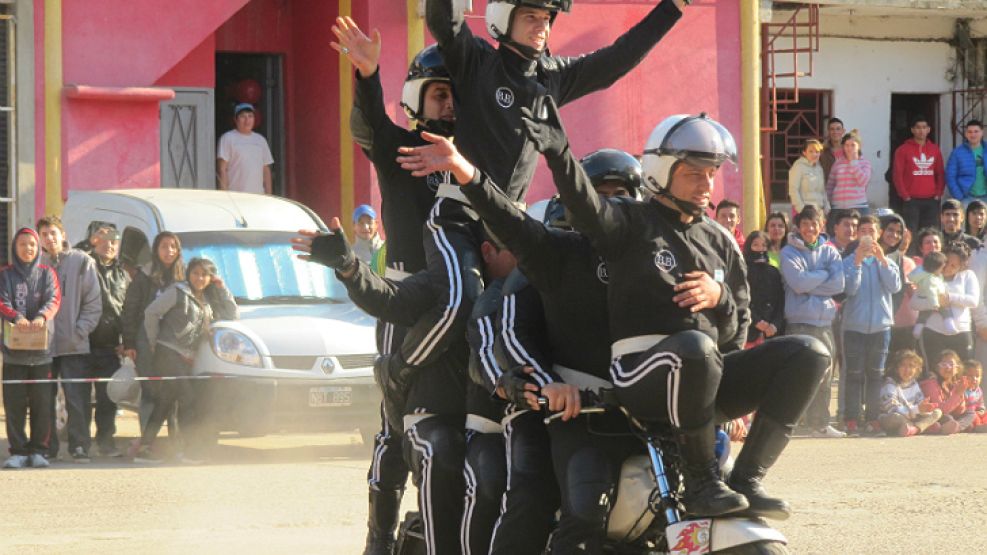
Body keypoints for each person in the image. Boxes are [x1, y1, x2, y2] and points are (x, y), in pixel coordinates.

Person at [521, 102, 830, 521]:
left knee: (810, 353)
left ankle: (746, 480)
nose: (706, 184)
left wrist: (720, 294)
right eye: (693, 173)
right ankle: (702, 483)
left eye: (711, 173)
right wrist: (558, 153)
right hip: (640, 373)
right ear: (661, 172)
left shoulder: (721, 241)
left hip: (703, 369)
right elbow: (586, 204)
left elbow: (738, 327)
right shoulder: (630, 221)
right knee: (696, 347)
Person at [384, 0, 689, 415]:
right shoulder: (476, 62)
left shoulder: (552, 77)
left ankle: (500, 415)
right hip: (458, 215)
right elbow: (443, 19)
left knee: (516, 311)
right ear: (502, 19)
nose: (541, 26)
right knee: (461, 300)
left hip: (511, 227)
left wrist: (671, 8)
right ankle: (396, 372)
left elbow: (617, 59)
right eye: (531, 17)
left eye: (547, 18)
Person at [398, 138, 641, 550]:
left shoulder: (639, 270)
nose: (611, 207)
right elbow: (493, 343)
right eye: (601, 197)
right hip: (535, 408)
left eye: (622, 196)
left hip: (619, 408)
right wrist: (520, 384)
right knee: (518, 488)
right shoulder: (532, 275)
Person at [294, 219, 518, 555]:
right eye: (517, 249)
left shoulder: (537, 286)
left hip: (505, 424)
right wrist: (350, 267)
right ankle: (382, 539)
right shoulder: (443, 284)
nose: (529, 257)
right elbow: (387, 298)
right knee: (439, 451)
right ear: (486, 250)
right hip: (434, 418)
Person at [332, 18, 456, 552]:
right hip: (403, 301)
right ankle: (380, 538)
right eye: (440, 94)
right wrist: (368, 74)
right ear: (417, 98)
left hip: (465, 301)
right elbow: (366, 128)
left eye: (457, 95)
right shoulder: (398, 148)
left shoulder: (478, 158)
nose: (450, 105)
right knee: (395, 423)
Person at [136, 257, 238, 463]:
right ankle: (189, 452)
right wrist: (154, 341)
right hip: (168, 353)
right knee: (188, 400)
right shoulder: (177, 291)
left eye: (204, 275)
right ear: (188, 274)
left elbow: (232, 314)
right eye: (195, 273)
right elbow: (151, 312)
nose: (199, 278)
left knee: (164, 403)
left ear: (210, 277)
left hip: (187, 358)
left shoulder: (209, 299)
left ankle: (144, 450)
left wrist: (223, 287)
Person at [37, 215, 102, 462]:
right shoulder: (37, 264)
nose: (49, 238)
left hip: (74, 346)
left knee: (77, 399)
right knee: (45, 400)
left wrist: (80, 331)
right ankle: (48, 447)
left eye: (53, 233)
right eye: (44, 234)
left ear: (63, 235)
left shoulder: (82, 261)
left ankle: (79, 446)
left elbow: (93, 302)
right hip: (43, 346)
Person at [780, 204, 846, 439]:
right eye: (805, 224)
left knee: (826, 374)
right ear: (798, 226)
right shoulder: (788, 252)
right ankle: (793, 421)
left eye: (814, 224)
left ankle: (820, 423)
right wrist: (824, 276)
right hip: (799, 321)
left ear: (822, 226)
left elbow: (839, 285)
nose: (809, 228)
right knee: (798, 374)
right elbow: (797, 283)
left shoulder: (830, 252)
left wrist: (811, 282)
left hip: (825, 322)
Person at [0, 228, 61, 469]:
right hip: (14, 354)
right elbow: (2, 301)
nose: (28, 249)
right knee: (14, 405)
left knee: (42, 405)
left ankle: (39, 450)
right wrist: (16, 317)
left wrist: (41, 317)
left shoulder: (47, 273)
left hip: (42, 354)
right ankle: (17, 450)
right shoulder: (5, 274)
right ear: (15, 247)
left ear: (38, 248)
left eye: (32, 245)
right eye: (23, 244)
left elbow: (54, 300)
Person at [840, 215, 900, 435]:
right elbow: (849, 290)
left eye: (871, 231)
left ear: (879, 234)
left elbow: (894, 287)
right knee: (854, 373)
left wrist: (882, 260)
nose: (868, 235)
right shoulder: (848, 261)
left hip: (881, 326)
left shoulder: (888, 261)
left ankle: (873, 419)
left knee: (876, 374)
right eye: (863, 230)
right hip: (854, 326)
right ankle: (852, 419)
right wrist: (856, 261)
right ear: (858, 235)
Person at [121, 232, 186, 436]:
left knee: (174, 393)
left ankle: (176, 446)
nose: (169, 251)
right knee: (150, 391)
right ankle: (148, 444)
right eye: (164, 246)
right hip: (146, 342)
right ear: (156, 250)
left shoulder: (185, 276)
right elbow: (130, 310)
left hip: (174, 344)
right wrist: (129, 343)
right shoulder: (144, 276)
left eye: (173, 246)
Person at [87, 225, 130, 457]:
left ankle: (105, 442)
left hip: (110, 345)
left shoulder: (123, 274)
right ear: (95, 241)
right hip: (84, 343)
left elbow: (129, 310)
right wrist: (88, 242)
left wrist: (127, 341)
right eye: (104, 240)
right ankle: (80, 445)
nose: (110, 245)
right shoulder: (85, 265)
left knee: (107, 398)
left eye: (114, 241)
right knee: (80, 399)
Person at [910, 241, 980, 365]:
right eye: (946, 262)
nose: (947, 268)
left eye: (954, 266)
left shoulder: (968, 275)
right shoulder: (929, 275)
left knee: (962, 371)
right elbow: (914, 303)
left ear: (961, 267)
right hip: (932, 332)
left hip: (961, 332)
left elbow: (973, 301)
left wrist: (949, 297)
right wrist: (935, 303)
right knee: (933, 372)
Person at [893, 115, 945, 233]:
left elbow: (940, 172)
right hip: (911, 200)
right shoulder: (903, 150)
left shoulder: (934, 149)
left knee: (930, 232)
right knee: (911, 233)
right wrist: (905, 195)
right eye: (918, 127)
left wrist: (938, 193)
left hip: (931, 199)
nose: (921, 130)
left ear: (928, 129)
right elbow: (897, 174)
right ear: (912, 130)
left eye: (924, 127)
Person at [877, 349, 941, 437]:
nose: (907, 370)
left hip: (912, 417)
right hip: (893, 417)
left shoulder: (914, 383)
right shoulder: (890, 383)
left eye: (911, 366)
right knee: (895, 417)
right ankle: (922, 427)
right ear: (896, 368)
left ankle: (914, 429)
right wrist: (917, 410)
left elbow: (920, 405)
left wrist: (924, 410)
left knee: (937, 412)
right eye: (903, 365)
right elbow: (891, 408)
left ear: (917, 369)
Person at [881, 213, 919, 356]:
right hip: (877, 322)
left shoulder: (906, 262)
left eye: (900, 234)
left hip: (903, 322)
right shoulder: (870, 255)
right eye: (891, 230)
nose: (896, 237)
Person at [217, 102, 274, 195]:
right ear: (235, 119)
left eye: (250, 116)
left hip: (258, 196)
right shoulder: (227, 138)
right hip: (236, 196)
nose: (247, 120)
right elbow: (222, 169)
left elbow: (266, 169)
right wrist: (224, 195)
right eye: (243, 116)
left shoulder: (260, 140)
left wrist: (269, 194)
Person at [744, 230, 784, 347]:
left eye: (764, 245)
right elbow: (740, 300)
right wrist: (756, 321)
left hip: (771, 332)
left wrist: (775, 324)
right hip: (749, 331)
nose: (760, 248)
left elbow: (780, 301)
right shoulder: (743, 270)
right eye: (756, 245)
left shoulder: (773, 272)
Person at [918, 349, 966, 435]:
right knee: (948, 418)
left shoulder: (955, 383)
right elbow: (941, 410)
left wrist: (961, 394)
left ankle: (955, 426)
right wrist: (957, 394)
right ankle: (956, 427)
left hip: (948, 414)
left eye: (951, 364)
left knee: (970, 413)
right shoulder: (930, 383)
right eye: (944, 364)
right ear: (937, 367)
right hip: (933, 415)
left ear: (957, 369)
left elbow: (959, 411)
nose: (948, 367)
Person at [910, 251, 955, 337]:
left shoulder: (928, 276)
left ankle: (917, 329)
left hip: (925, 297)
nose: (943, 270)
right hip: (933, 299)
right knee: (945, 310)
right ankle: (950, 325)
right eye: (942, 268)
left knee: (923, 314)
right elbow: (932, 292)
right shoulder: (930, 279)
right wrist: (935, 304)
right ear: (935, 268)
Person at [827, 129, 872, 216]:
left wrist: (854, 162)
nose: (849, 148)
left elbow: (863, 181)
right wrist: (827, 203)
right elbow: (830, 185)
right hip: (838, 207)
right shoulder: (838, 163)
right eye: (847, 145)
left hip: (858, 207)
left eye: (853, 145)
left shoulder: (865, 163)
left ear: (859, 146)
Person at [946, 119, 985, 208]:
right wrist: (959, 196)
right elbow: (950, 176)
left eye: (976, 131)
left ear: (982, 133)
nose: (973, 134)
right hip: (966, 198)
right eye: (970, 132)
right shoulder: (957, 153)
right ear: (966, 134)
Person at [788, 138, 829, 214]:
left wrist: (827, 207)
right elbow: (793, 190)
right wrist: (801, 209)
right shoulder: (798, 167)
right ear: (804, 152)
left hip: (818, 211)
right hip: (803, 211)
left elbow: (822, 191)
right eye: (811, 151)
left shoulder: (819, 168)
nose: (814, 154)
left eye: (817, 152)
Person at [351, 204, 385, 271]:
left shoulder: (387, 249)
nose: (366, 227)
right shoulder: (350, 254)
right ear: (354, 226)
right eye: (361, 223)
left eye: (369, 222)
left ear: (376, 224)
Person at [958, 360, 987, 432]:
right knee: (973, 417)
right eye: (970, 376)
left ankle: (983, 425)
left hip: (977, 413)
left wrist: (981, 411)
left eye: (977, 376)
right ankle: (978, 428)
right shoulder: (961, 389)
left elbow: (981, 405)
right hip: (966, 415)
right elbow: (960, 407)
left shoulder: (978, 390)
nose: (974, 379)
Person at [820, 117, 846, 184]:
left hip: (847, 190)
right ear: (828, 131)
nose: (835, 132)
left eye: (838, 129)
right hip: (829, 190)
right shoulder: (822, 150)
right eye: (832, 129)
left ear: (843, 131)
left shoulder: (851, 149)